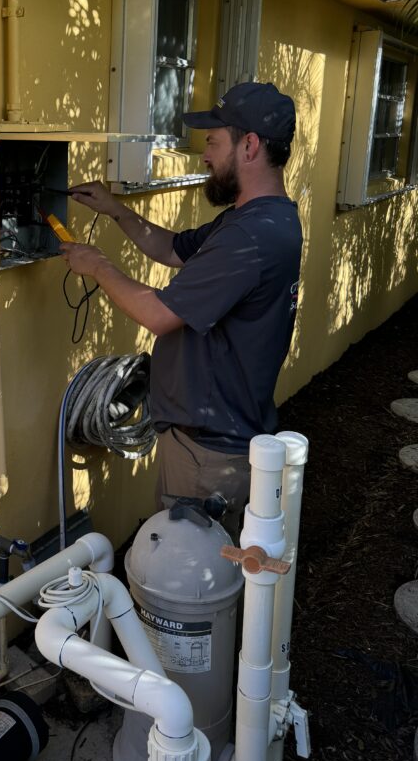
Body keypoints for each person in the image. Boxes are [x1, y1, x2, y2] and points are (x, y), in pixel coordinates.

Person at [62, 81, 302, 529]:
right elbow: (173, 248)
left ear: (249, 145)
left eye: (213, 142)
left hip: (207, 457)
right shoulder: (262, 219)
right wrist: (116, 211)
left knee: (187, 587)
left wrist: (96, 265)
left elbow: (159, 315)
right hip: (221, 438)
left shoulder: (248, 238)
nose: (205, 156)